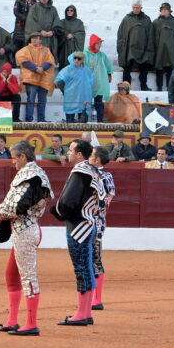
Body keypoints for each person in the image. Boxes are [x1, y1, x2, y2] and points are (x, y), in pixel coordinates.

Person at [0, 141, 53, 336]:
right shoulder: (32, 174)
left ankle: (31, 323)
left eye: (13, 157)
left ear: (22, 157)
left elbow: (19, 206)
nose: (12, 162)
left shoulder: (31, 176)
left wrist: (3, 211)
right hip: (22, 230)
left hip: (26, 231)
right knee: (11, 275)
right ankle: (12, 320)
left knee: (28, 276)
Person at [50, 139, 105, 326]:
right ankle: (86, 312)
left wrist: (56, 211)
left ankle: (82, 314)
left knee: (81, 268)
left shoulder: (81, 171)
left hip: (78, 227)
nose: (68, 153)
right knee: (87, 268)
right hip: (89, 224)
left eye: (71, 150)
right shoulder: (94, 171)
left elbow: (68, 201)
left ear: (80, 154)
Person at [88, 146, 114, 311]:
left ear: (97, 159)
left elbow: (108, 197)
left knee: (94, 259)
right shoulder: (93, 173)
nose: (88, 157)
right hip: (93, 221)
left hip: (95, 223)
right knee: (91, 259)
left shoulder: (103, 175)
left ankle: (96, 299)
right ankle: (92, 298)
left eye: (91, 155)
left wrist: (98, 208)